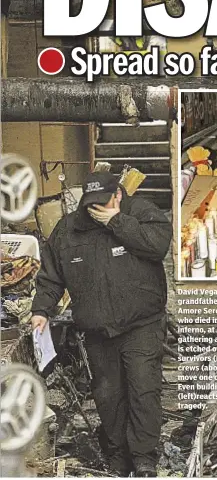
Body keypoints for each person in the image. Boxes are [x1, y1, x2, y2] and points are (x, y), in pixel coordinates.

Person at [31, 172, 172, 477]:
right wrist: (41, 309)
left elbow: (157, 246)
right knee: (108, 395)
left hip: (142, 323)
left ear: (118, 196)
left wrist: (117, 222)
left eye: (102, 203)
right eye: (90, 204)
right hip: (97, 330)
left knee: (143, 388)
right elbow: (51, 274)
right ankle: (118, 455)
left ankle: (144, 457)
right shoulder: (68, 229)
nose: (95, 210)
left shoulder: (142, 212)